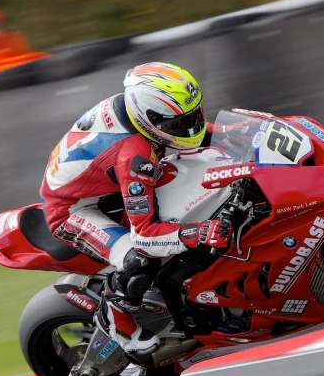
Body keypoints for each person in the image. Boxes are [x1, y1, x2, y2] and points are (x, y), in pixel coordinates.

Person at [40, 62, 237, 356]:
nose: (191, 128)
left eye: (194, 116)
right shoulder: (135, 157)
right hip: (73, 210)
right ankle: (117, 319)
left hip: (103, 183)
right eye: (181, 124)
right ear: (150, 120)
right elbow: (147, 235)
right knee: (138, 260)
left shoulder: (139, 110)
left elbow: (202, 134)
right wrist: (200, 231)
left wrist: (235, 134)